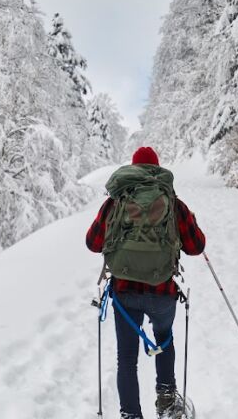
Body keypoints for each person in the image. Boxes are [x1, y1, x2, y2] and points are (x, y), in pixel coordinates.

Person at [86, 146, 206, 419]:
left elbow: (92, 243)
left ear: (133, 169)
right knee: (164, 340)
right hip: (162, 290)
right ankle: (166, 403)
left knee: (126, 358)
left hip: (124, 292)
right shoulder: (173, 203)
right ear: (157, 169)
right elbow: (197, 246)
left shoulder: (116, 201)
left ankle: (130, 414)